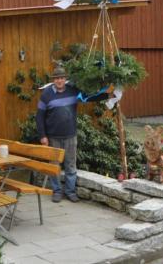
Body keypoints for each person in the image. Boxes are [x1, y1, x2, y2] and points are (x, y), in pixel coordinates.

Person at [36, 66, 111, 203]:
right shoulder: (46, 94)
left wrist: (108, 95)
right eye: (57, 78)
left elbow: (89, 96)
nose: (59, 80)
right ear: (54, 80)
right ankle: (57, 191)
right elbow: (39, 116)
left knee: (71, 165)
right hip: (53, 137)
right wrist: (43, 136)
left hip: (71, 135)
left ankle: (70, 192)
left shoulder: (73, 90)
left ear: (65, 79)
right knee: (54, 166)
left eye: (62, 78)